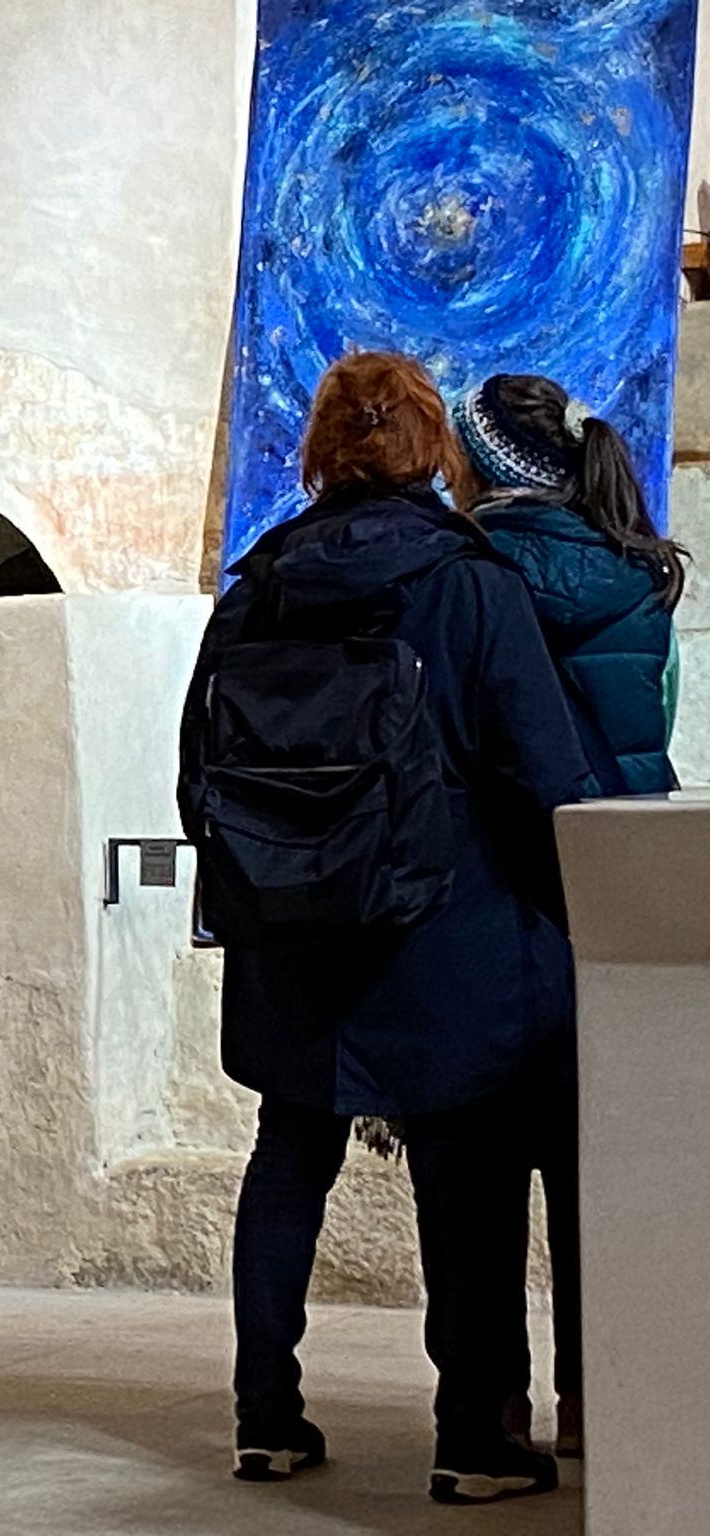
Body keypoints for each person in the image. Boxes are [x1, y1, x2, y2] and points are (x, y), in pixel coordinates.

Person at [179, 352, 588, 1504]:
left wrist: (271, 878)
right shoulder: (468, 583)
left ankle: (263, 1417)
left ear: (320, 451)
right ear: (431, 450)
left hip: (289, 931)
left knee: (285, 1156)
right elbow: (543, 775)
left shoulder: (256, 585)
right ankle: (472, 1441)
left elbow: (195, 769)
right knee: (464, 1180)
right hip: (442, 935)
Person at [454, 373, 689, 1459]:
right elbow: (649, 736)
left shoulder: (469, 578)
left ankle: (492, 1416)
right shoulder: (640, 573)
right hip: (613, 897)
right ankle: (600, 1408)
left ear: (482, 467)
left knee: (479, 1178)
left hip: (492, 894)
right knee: (598, 1175)